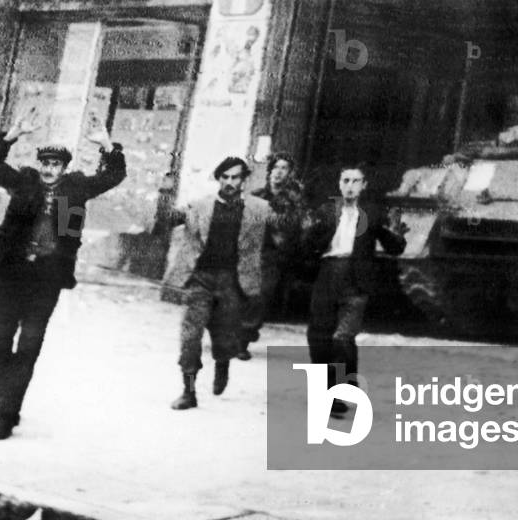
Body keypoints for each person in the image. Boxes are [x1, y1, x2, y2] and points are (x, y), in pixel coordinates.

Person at [0, 108, 126, 439]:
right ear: (39, 165)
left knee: (29, 345)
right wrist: (11, 135)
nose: (50, 169)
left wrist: (107, 146)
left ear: (64, 168)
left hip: (47, 280)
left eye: (56, 165)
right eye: (46, 164)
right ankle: (7, 398)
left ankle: (7, 413)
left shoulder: (76, 189)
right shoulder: (24, 183)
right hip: (11, 275)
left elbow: (113, 177)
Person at [162, 156, 280, 410]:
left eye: (235, 177)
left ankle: (223, 364)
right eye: (224, 177)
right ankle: (188, 391)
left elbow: (284, 232)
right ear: (218, 179)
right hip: (200, 278)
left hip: (233, 281)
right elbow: (168, 219)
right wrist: (165, 191)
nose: (229, 182)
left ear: (244, 180)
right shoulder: (200, 206)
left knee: (225, 337)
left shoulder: (260, 208)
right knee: (190, 337)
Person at [303, 163, 408, 416]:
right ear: (339, 184)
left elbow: (393, 247)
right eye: (346, 181)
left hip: (356, 280)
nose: (350, 186)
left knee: (343, 338)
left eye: (355, 181)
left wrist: (397, 234)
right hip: (328, 275)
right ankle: (328, 395)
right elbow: (306, 246)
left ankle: (344, 387)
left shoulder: (372, 213)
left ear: (364, 186)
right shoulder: (327, 211)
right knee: (320, 337)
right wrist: (310, 232)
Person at [238, 152, 305, 359]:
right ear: (269, 171)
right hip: (250, 251)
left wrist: (269, 218)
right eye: (276, 168)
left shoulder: (293, 201)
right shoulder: (256, 195)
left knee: (260, 297)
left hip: (273, 255)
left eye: (284, 168)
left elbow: (293, 226)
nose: (278, 172)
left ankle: (243, 341)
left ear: (290, 174)